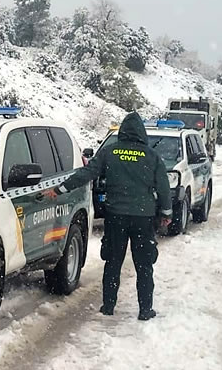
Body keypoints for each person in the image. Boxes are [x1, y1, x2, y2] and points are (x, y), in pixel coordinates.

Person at [61, 112, 172, 320]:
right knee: (144, 265)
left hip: (116, 217)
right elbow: (164, 188)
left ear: (122, 131)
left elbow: (88, 173)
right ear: (141, 133)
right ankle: (145, 309)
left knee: (113, 262)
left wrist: (62, 187)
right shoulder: (151, 156)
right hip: (143, 218)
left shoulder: (110, 152)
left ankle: (108, 306)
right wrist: (166, 212)